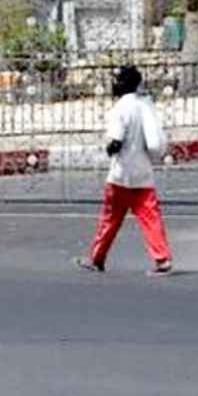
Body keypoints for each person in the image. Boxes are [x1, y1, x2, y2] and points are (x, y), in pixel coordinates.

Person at [75, 65, 174, 275]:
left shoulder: (119, 109)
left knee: (110, 219)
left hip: (121, 174)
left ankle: (97, 258)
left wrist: (108, 149)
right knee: (151, 218)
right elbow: (154, 142)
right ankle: (162, 259)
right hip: (143, 172)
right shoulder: (145, 105)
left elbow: (116, 142)